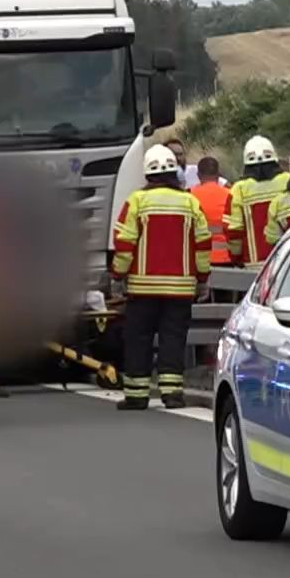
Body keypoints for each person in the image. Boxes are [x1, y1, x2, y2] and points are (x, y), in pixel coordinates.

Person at [110, 145, 211, 410]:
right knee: (173, 339)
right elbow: (202, 244)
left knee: (138, 339)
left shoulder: (137, 202)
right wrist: (202, 278)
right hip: (180, 289)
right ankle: (172, 394)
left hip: (142, 290)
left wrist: (118, 275)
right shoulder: (190, 202)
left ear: (148, 174)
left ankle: (136, 394)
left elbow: (124, 243)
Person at [225, 136, 289, 268]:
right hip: (288, 262)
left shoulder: (239, 189)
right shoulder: (289, 181)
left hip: (255, 266)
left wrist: (236, 258)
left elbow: (234, 231)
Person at [189, 156, 234, 266]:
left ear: (198, 175)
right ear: (218, 175)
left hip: (199, 258)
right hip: (227, 257)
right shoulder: (230, 195)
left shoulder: (189, 196)